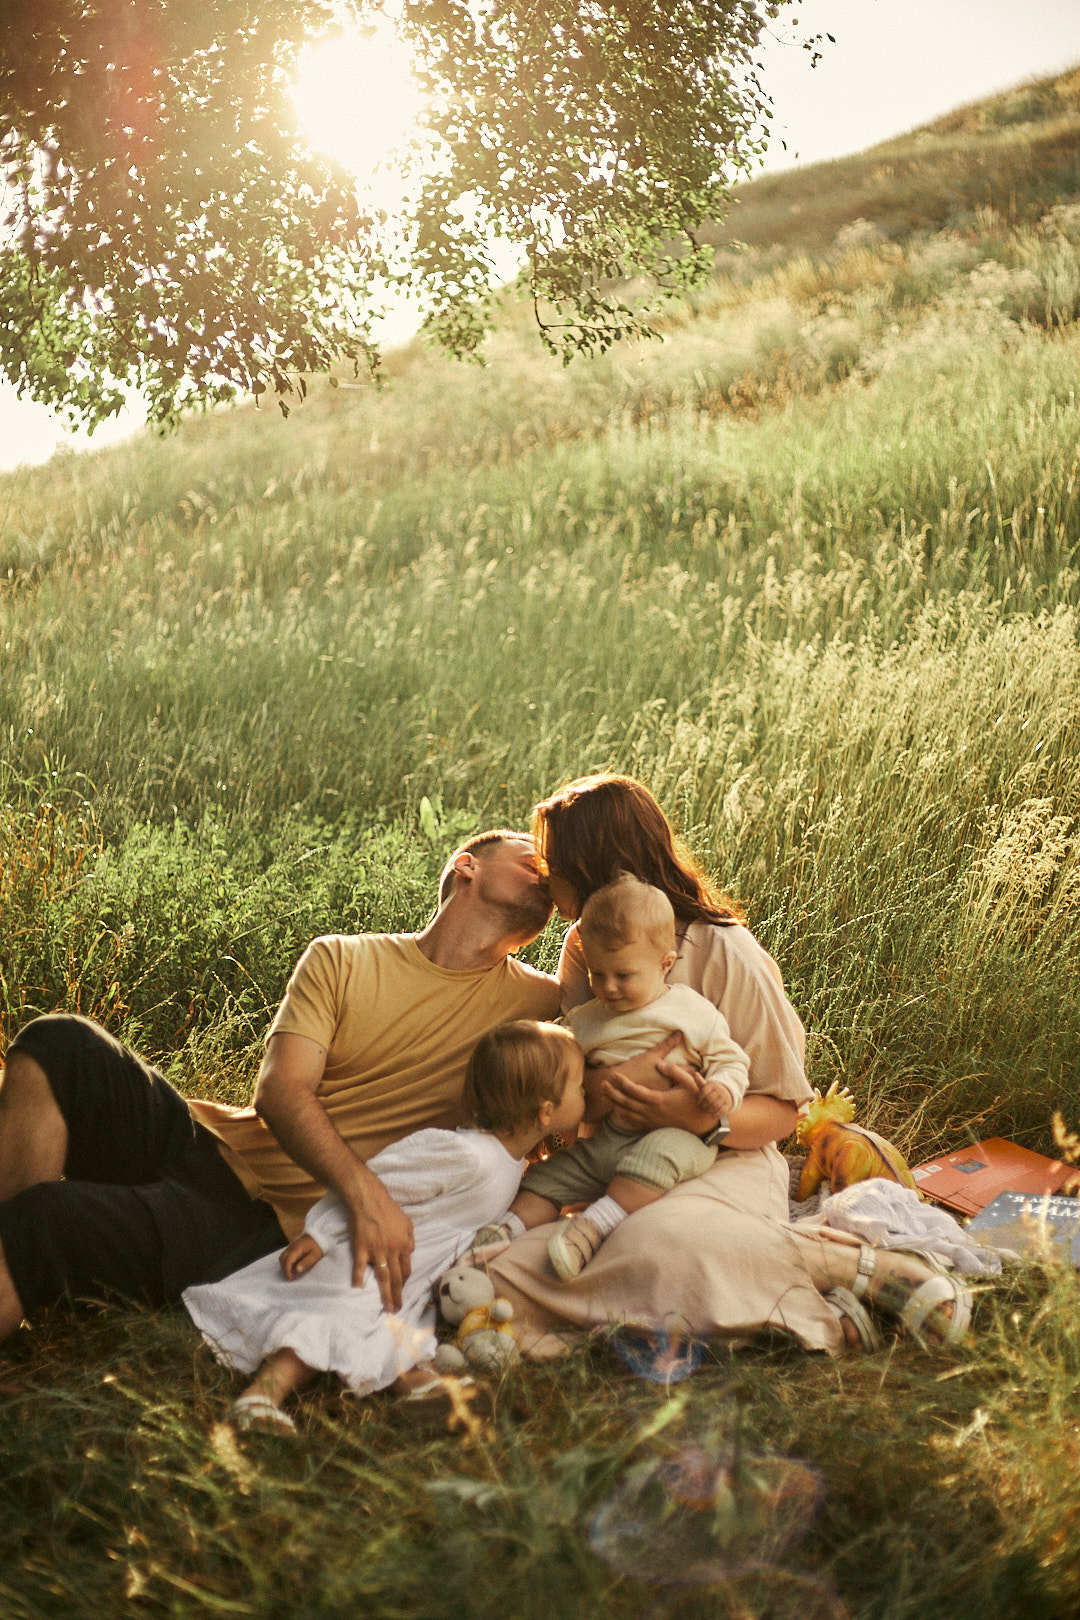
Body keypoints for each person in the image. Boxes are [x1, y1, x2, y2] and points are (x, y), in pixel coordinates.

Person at [0, 830, 560, 1361]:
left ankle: (26, 1255)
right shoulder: (342, 958)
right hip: (208, 1144)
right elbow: (280, 1092)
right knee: (59, 1040)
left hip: (265, 1224)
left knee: (47, 1219)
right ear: (468, 867)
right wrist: (365, 1193)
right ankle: (19, 1274)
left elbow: (625, 974)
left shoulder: (540, 1011)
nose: (546, 871)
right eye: (529, 857)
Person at [483, 775, 973, 1357]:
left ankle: (859, 1268)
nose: (546, 875)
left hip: (722, 1155)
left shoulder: (724, 950)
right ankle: (783, 1303)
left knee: (662, 1240)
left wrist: (693, 1116)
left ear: (596, 863)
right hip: (614, 1160)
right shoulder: (584, 948)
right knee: (502, 1267)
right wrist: (606, 1090)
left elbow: (784, 1109)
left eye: (554, 861)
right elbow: (574, 1071)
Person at [184, 1021, 585, 1434]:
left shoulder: (513, 1157)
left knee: (400, 1335)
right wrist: (321, 1234)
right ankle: (261, 1396)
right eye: (580, 1087)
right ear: (546, 1111)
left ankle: (428, 1394)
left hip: (411, 1277)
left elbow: (546, 1165)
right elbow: (376, 1182)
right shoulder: (465, 1153)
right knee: (334, 1319)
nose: (585, 1093)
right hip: (368, 1259)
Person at [485, 874, 749, 1281]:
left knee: (657, 1156)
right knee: (547, 1176)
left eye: (623, 976)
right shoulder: (587, 1021)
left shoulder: (691, 1013)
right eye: (596, 974)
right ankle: (503, 1231)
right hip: (608, 1141)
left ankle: (590, 1229)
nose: (608, 987)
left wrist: (722, 1090)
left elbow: (731, 1060)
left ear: (665, 963)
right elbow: (565, 1065)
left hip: (677, 1139)